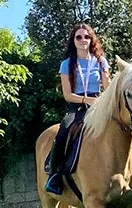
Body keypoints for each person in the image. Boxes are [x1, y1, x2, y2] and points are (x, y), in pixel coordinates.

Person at [43, 23, 110, 195]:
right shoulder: (66, 64)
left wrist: (103, 100)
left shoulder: (101, 61)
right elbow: (67, 94)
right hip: (77, 106)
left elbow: (108, 86)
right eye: (78, 37)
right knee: (64, 129)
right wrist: (85, 100)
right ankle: (55, 175)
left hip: (98, 103)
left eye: (86, 36)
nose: (83, 40)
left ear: (91, 39)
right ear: (73, 41)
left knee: (123, 124)